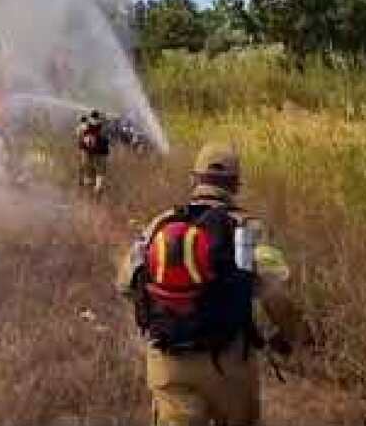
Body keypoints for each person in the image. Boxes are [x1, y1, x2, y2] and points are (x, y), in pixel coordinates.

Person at [116, 142, 305, 426]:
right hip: (230, 364)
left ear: (193, 181)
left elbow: (125, 283)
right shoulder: (248, 231)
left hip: (169, 362)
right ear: (236, 185)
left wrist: (169, 310)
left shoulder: (161, 224)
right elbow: (275, 292)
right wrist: (292, 334)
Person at [76, 109, 110, 195]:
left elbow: (80, 134)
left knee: (91, 171)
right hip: (98, 153)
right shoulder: (102, 126)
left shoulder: (87, 126)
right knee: (98, 172)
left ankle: (93, 189)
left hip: (93, 152)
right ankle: (96, 188)